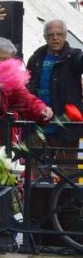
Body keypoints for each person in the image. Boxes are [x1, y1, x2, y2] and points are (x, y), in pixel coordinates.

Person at [26, 19, 83, 171]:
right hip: (39, 125)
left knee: (67, 174)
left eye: (59, 34)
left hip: (66, 125)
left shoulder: (74, 56)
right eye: (50, 35)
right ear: (45, 37)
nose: (55, 38)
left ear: (65, 36)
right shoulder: (37, 57)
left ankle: (67, 195)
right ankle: (37, 195)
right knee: (36, 173)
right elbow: (27, 82)